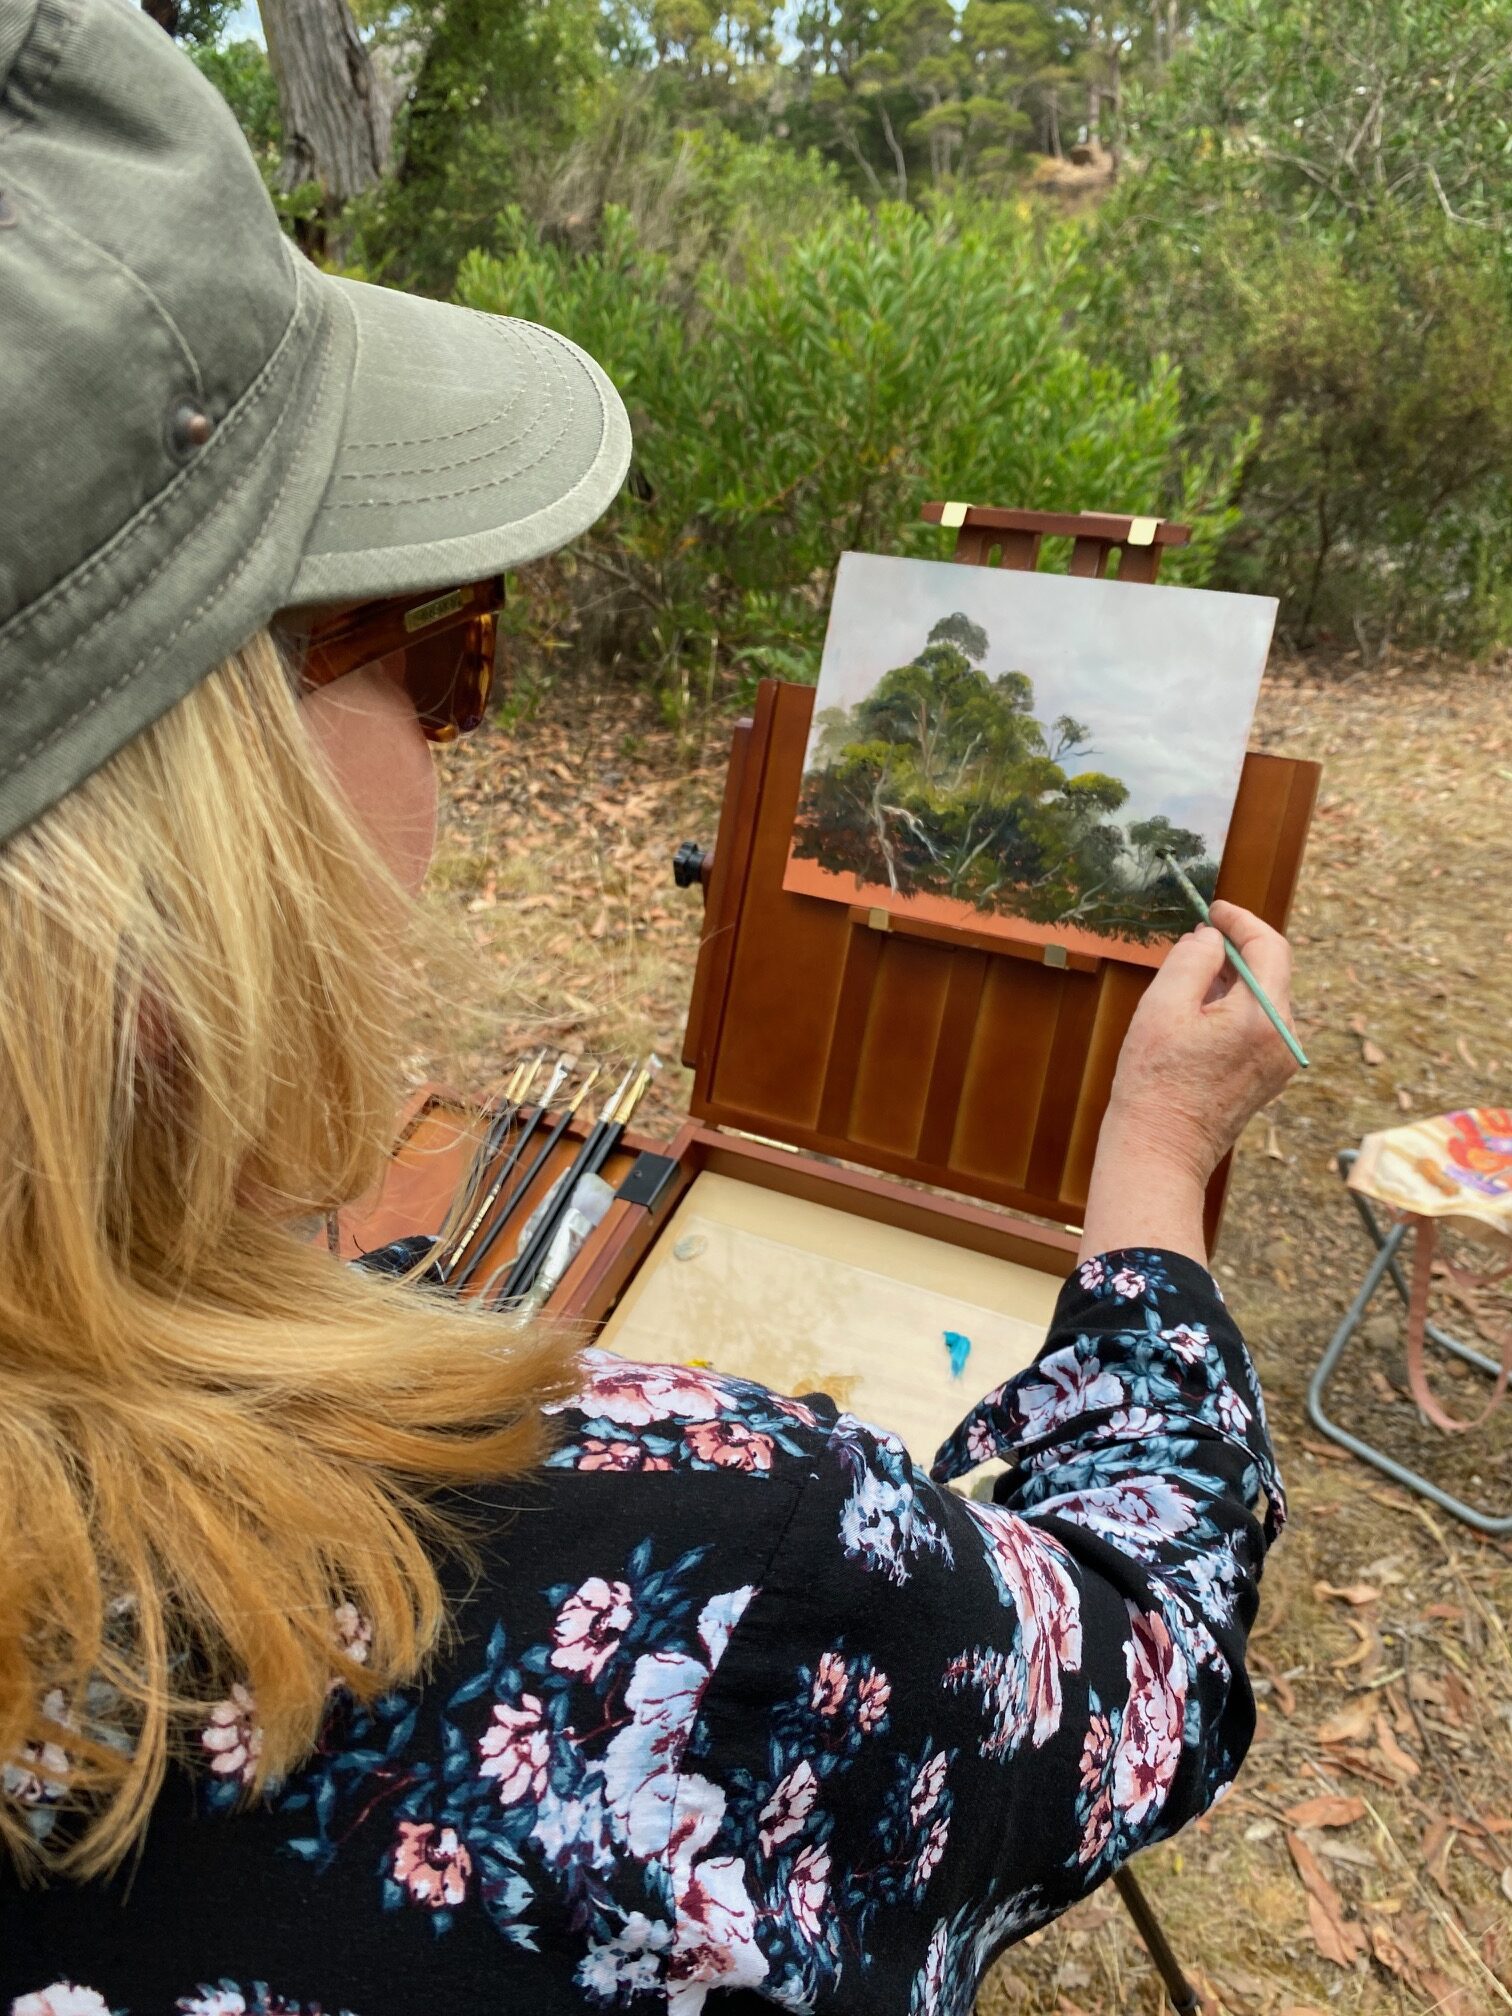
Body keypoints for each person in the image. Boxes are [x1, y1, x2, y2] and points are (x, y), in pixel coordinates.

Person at [0, 4, 1299, 2011]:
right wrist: (1150, 1159)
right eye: (438, 654)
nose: (454, 744)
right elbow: (1140, 1649)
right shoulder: (670, 1572)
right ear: (164, 863)